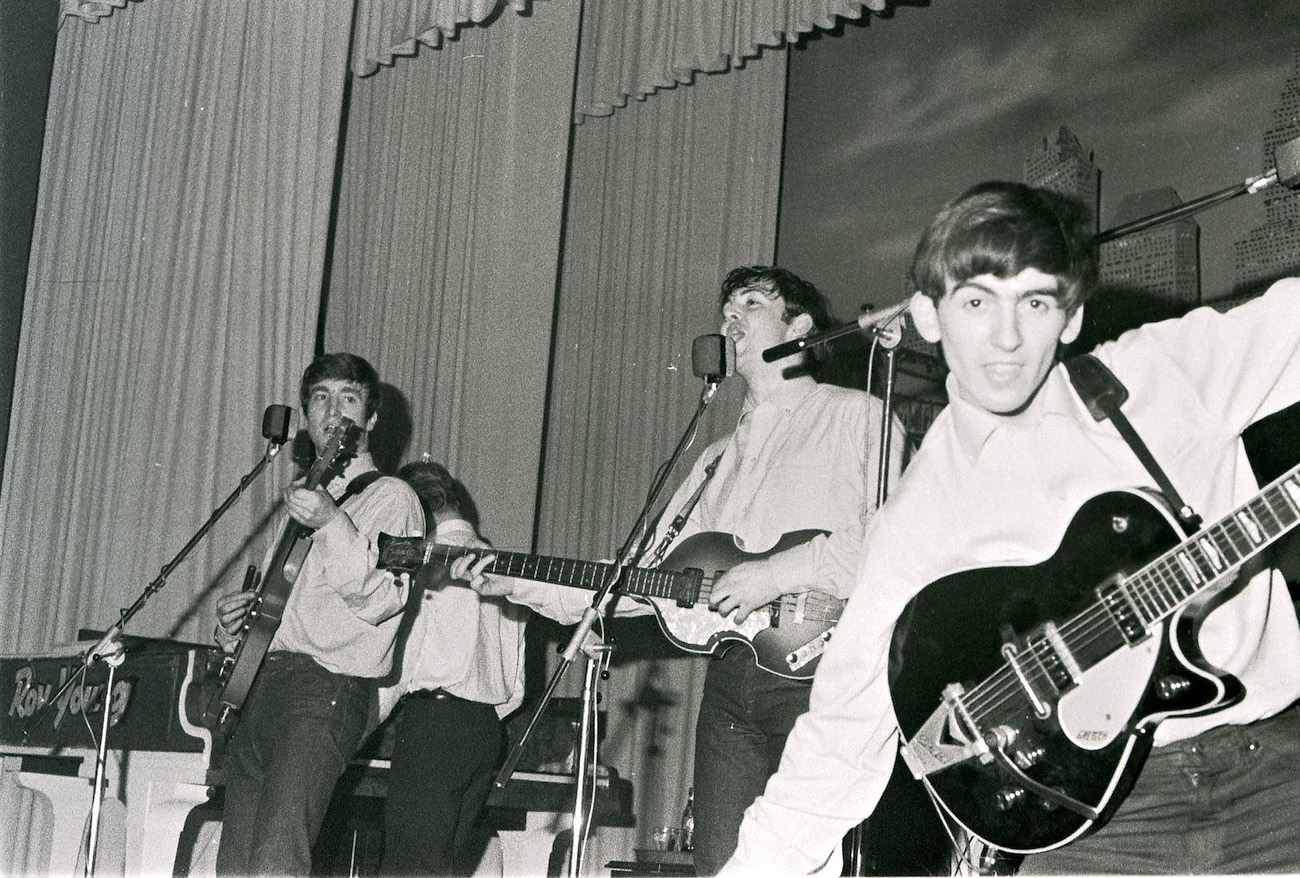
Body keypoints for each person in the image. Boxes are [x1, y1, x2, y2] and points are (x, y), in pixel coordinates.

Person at [724, 181, 1300, 875]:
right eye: (976, 302)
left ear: (1070, 316)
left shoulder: (1159, 375)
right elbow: (840, 740)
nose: (1006, 337)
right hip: (1102, 824)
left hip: (1274, 770)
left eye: (1034, 301)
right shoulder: (920, 517)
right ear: (929, 317)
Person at [456, 266, 904, 874]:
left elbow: (891, 546)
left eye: (752, 303)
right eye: (726, 309)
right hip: (729, 687)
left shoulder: (858, 418)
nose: (730, 319)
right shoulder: (717, 460)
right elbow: (643, 580)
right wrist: (515, 580)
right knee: (720, 865)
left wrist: (772, 575)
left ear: (800, 326)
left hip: (827, 676)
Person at [213, 353, 424, 877]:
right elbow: (280, 614)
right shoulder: (307, 500)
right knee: (235, 866)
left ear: (371, 419)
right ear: (306, 415)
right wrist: (235, 629)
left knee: (276, 863)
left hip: (324, 691)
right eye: (320, 398)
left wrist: (333, 522)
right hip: (264, 686)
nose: (333, 411)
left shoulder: (396, 499)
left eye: (349, 398)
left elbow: (382, 599)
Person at [376, 459, 530, 876]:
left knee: (409, 869)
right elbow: (516, 687)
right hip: (483, 734)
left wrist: (358, 726)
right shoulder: (510, 571)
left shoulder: (428, 564)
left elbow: (399, 664)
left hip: (434, 725)